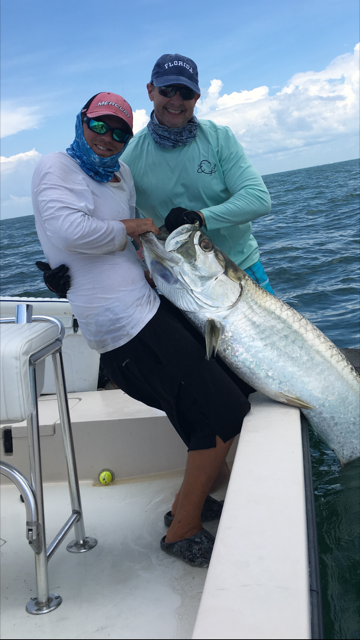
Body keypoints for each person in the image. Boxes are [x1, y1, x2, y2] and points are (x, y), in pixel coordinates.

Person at [32, 92, 253, 568]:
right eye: (99, 126)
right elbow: (69, 230)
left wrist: (146, 244)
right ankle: (182, 531)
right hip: (120, 326)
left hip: (148, 303)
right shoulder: (57, 167)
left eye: (119, 132)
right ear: (81, 121)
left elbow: (119, 243)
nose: (108, 139)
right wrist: (132, 228)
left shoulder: (121, 173)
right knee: (224, 408)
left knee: (226, 387)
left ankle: (189, 503)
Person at [121, 53, 274, 294]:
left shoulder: (219, 138)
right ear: (151, 91)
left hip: (237, 270)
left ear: (197, 97)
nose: (176, 100)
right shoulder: (127, 157)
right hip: (176, 282)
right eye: (168, 90)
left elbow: (258, 199)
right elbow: (116, 221)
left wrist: (199, 217)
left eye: (186, 93)